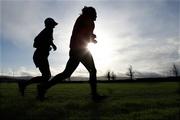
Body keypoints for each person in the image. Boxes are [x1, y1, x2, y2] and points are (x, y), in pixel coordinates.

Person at [37, 6, 106, 101]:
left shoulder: (88, 21)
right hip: (80, 49)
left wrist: (92, 37)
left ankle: (43, 88)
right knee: (92, 70)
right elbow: (80, 34)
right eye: (95, 14)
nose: (96, 16)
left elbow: (85, 34)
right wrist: (91, 39)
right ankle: (94, 96)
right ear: (90, 13)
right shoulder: (84, 19)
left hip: (77, 49)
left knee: (66, 73)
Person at [18, 18, 58, 96]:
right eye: (53, 25)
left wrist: (52, 45)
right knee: (47, 76)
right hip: (40, 56)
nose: (54, 26)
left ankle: (39, 93)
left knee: (46, 76)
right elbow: (35, 45)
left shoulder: (49, 31)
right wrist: (46, 46)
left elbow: (49, 41)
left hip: (41, 56)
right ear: (48, 24)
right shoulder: (46, 31)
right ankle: (25, 84)